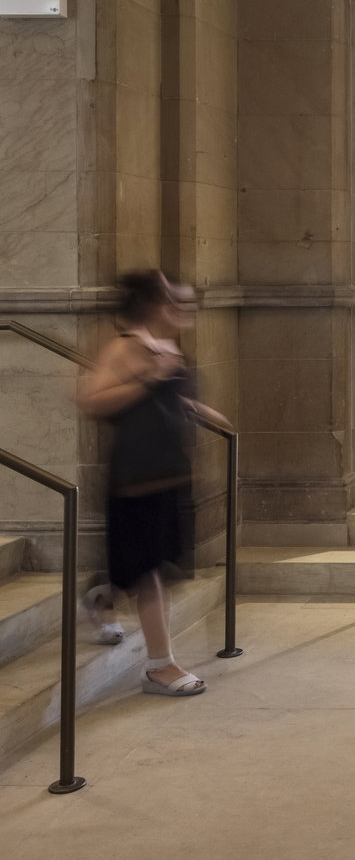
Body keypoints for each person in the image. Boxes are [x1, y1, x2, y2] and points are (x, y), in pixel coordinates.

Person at [77, 271, 231, 696]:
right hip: (136, 479)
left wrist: (193, 407)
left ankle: (103, 599)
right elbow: (91, 399)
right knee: (149, 576)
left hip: (169, 474)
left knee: (152, 565)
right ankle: (160, 667)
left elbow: (159, 400)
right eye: (171, 299)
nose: (181, 307)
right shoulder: (124, 347)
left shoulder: (164, 348)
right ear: (150, 304)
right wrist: (148, 377)